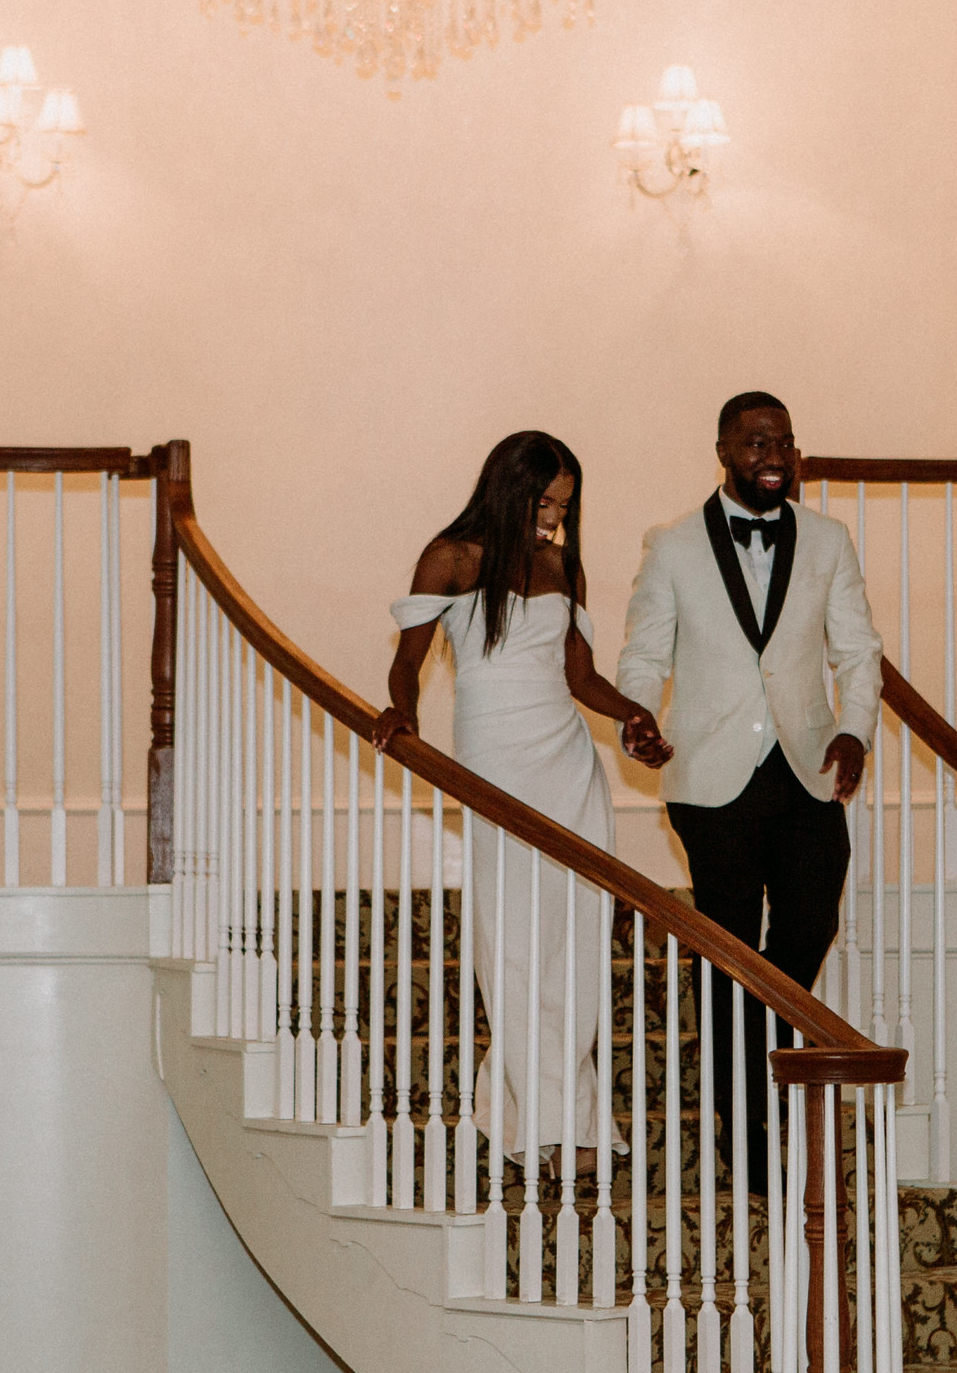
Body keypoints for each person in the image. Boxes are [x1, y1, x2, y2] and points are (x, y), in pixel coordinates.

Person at [374, 431, 671, 1163]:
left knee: (571, 944)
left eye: (564, 507)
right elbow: (407, 664)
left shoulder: (560, 564)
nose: (553, 519)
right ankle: (536, 1117)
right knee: (508, 944)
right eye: (543, 503)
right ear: (509, 489)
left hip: (567, 767)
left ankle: (564, 1116)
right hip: (493, 764)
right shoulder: (449, 557)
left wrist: (632, 714)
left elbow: (579, 677)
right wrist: (402, 715)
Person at [615, 392, 882, 1191]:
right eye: (756, 442)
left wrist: (854, 729)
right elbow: (643, 652)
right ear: (724, 450)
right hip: (711, 780)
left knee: (808, 924)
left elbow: (858, 651)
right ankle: (745, 1123)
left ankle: (755, 1036)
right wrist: (636, 714)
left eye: (785, 442)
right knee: (726, 949)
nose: (774, 455)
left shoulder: (829, 540)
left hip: (805, 770)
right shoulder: (670, 546)